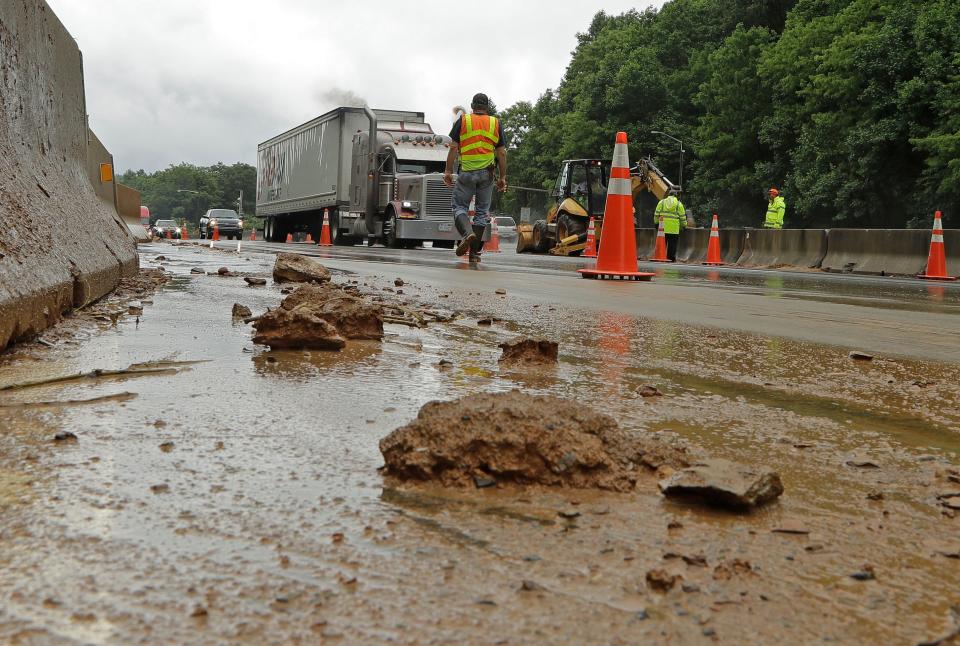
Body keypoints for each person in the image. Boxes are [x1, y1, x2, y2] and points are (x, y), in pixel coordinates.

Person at [443, 93, 507, 263]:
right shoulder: (496, 123)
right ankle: (474, 253)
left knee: (459, 207)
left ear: (472, 105)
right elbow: (501, 152)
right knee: (481, 213)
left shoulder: (463, 121)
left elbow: (453, 148)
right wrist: (503, 178)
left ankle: (467, 233)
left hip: (467, 172)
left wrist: (448, 171)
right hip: (487, 174)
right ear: (487, 107)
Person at [654, 190, 686, 261]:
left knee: (662, 243)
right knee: (672, 244)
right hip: (674, 229)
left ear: (668, 194)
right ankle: (671, 258)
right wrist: (684, 225)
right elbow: (682, 217)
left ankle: (660, 256)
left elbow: (656, 215)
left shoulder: (661, 202)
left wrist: (656, 223)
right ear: (676, 196)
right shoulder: (678, 204)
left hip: (663, 228)